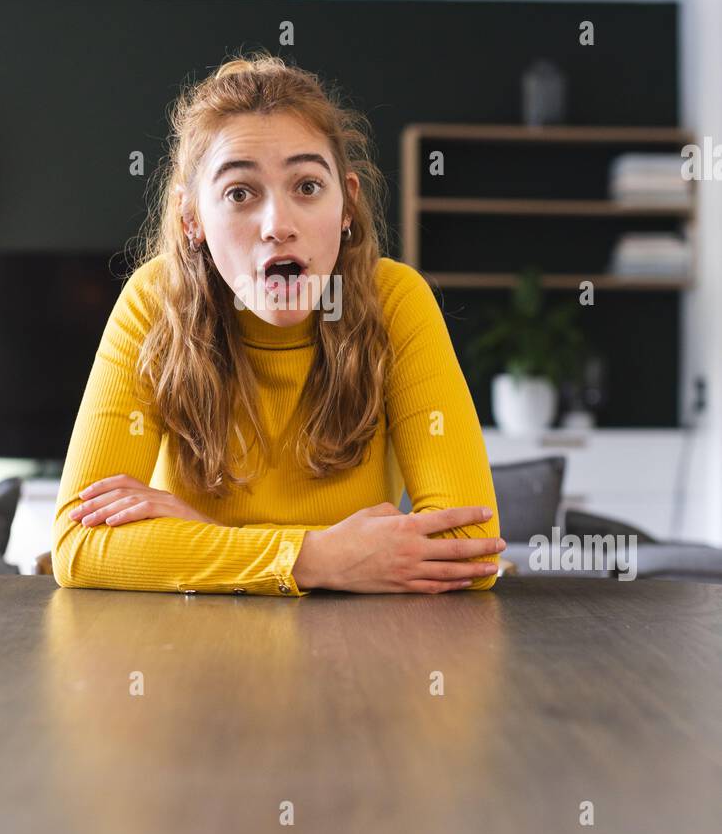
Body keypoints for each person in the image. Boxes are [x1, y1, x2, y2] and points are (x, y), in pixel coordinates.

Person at [51, 52, 506, 596]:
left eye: (308, 187)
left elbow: (469, 547)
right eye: (240, 193)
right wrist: (319, 559)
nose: (278, 226)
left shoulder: (395, 300)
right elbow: (79, 549)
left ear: (346, 206)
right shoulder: (154, 303)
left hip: (353, 659)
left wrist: (205, 537)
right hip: (195, 658)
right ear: (191, 219)